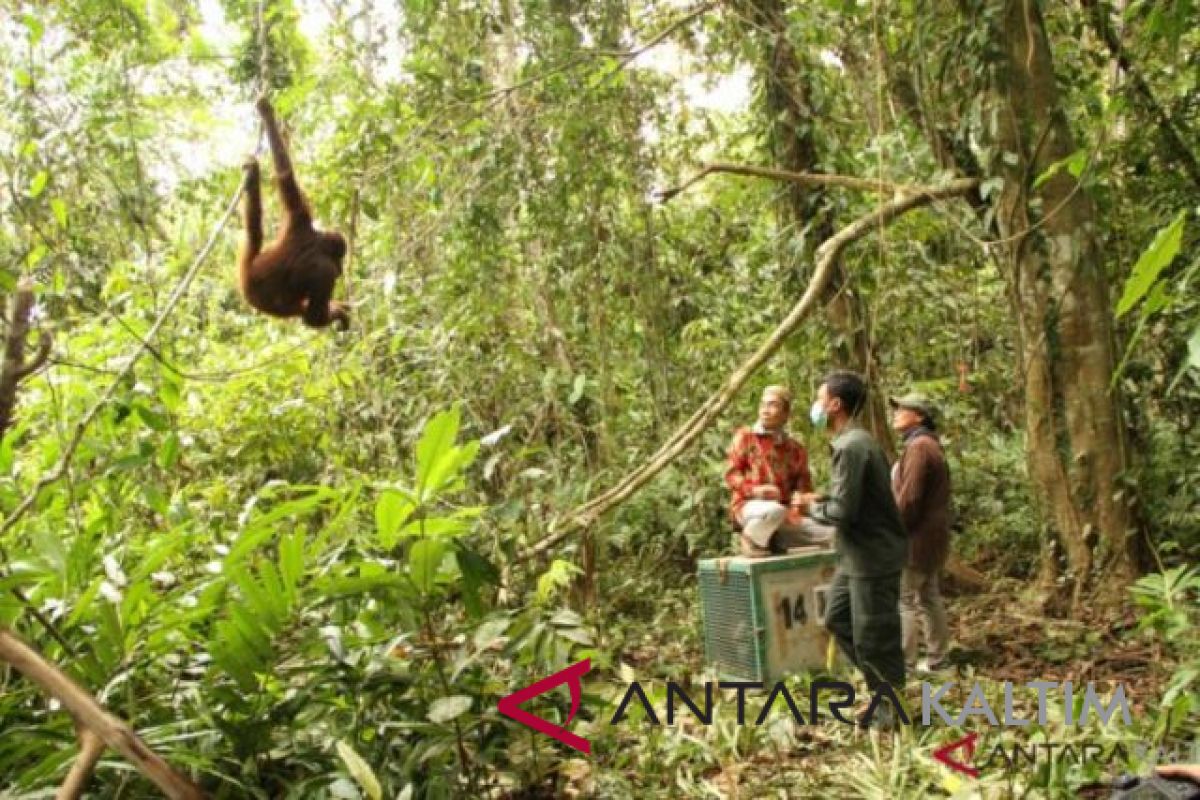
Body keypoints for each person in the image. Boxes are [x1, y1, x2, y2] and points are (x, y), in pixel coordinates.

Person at [799, 371, 908, 726]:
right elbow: (849, 500)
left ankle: (891, 707)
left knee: (874, 633)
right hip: (855, 556)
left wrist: (809, 509)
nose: (815, 406)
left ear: (835, 404)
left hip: (873, 557)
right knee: (837, 617)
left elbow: (843, 511)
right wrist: (823, 499)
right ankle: (883, 691)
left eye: (819, 398)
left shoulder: (851, 446)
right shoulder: (852, 442)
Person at [890, 391, 952, 674]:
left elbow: (910, 498)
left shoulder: (919, 448)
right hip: (933, 537)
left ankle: (905, 665)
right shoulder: (929, 444)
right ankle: (939, 660)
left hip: (916, 538)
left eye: (903, 409)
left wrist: (894, 530)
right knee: (928, 596)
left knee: (904, 600)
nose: (896, 413)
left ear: (919, 416)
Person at [724, 386, 826, 557]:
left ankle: (774, 539)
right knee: (773, 510)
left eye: (772, 405)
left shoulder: (795, 449)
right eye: (763, 405)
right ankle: (750, 540)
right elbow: (731, 475)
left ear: (786, 414)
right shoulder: (745, 437)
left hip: (785, 516)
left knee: (832, 532)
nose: (765, 410)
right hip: (749, 509)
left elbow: (803, 489)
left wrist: (798, 504)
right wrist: (755, 491)